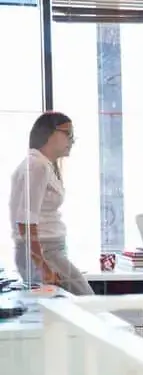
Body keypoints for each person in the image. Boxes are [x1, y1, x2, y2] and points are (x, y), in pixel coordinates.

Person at [10, 112, 93, 295]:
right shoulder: (36, 166)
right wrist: (43, 266)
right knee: (87, 303)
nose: (72, 140)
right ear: (49, 133)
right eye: (67, 134)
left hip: (47, 251)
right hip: (43, 252)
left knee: (68, 310)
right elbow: (25, 222)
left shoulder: (42, 165)